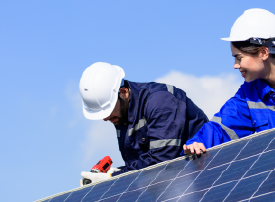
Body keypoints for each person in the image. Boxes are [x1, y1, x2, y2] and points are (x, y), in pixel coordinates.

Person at [183, 8, 275, 155]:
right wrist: (197, 143)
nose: (236, 66)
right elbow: (220, 128)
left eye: (239, 58)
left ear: (263, 52)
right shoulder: (248, 93)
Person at [79, 62, 208, 184]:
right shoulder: (121, 116)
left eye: (108, 110)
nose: (106, 118)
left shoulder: (160, 101)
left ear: (123, 92)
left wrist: (113, 178)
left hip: (203, 175)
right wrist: (117, 172)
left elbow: (162, 162)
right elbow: (139, 166)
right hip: (177, 186)